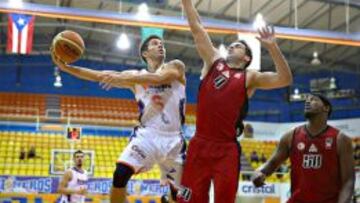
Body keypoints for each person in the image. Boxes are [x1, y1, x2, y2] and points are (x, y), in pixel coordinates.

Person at [179, 0, 293, 202]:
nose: (232, 45)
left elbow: (285, 79)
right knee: (190, 199)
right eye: (232, 44)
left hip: (226, 149)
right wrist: (186, 2)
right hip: (199, 144)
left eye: (238, 46)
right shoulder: (213, 61)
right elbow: (197, 28)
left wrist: (273, 47)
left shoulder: (250, 77)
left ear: (247, 58)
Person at [51, 35, 187, 203]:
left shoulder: (175, 66)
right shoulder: (134, 77)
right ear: (145, 53)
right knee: (120, 174)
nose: (161, 46)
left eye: (162, 44)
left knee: (178, 196)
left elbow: (160, 78)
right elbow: (99, 76)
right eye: (155, 43)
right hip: (148, 135)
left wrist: (123, 78)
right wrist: (66, 68)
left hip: (174, 139)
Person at [252, 94, 355, 203]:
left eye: (313, 100)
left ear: (326, 108)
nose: (307, 102)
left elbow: (348, 181)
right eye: (306, 100)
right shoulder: (290, 136)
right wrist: (258, 172)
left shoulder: (341, 139)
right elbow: (271, 164)